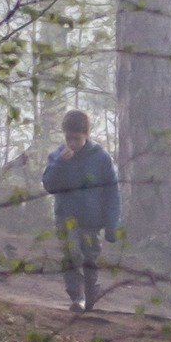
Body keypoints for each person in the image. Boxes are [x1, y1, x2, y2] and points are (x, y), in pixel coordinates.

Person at [43, 109, 121, 313]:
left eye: (77, 138)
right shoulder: (57, 156)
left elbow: (112, 191)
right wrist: (60, 163)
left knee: (90, 258)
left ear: (86, 134)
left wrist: (112, 223)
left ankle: (91, 297)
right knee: (71, 254)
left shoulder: (101, 158)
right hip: (66, 217)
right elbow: (49, 185)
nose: (72, 143)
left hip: (92, 219)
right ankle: (77, 298)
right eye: (68, 138)